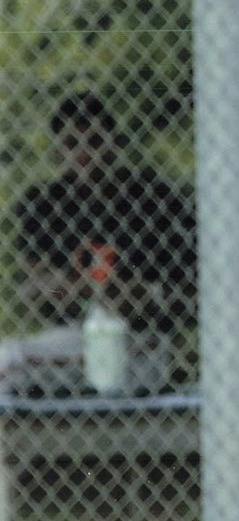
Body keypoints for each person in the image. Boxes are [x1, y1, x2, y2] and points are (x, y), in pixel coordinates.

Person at [3, 92, 195, 396]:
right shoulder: (45, 204)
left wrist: (141, 295)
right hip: (72, 337)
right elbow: (34, 290)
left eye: (94, 141)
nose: (84, 153)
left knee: (11, 361)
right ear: (57, 152)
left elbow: (189, 295)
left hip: (138, 341)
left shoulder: (153, 198)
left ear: (115, 142)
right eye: (71, 144)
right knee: (11, 358)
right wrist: (68, 289)